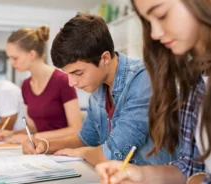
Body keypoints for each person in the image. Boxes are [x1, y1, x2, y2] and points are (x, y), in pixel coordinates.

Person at [22, 13, 179, 166]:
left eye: (78, 72)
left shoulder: (143, 78)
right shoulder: (98, 86)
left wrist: (83, 152)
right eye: (68, 74)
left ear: (104, 58)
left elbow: (112, 154)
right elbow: (85, 138)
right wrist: (46, 144)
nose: (71, 82)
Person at [95, 0, 211, 184]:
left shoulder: (138, 79)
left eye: (162, 15)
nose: (155, 33)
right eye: (148, 21)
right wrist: (141, 175)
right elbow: (191, 168)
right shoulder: (196, 79)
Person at [0, 26, 82, 143]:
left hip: (64, 150)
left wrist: (34, 138)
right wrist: (11, 133)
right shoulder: (25, 86)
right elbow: (33, 128)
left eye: (15, 58)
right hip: (41, 149)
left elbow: (75, 129)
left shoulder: (63, 81)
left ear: (32, 54)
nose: (11, 63)